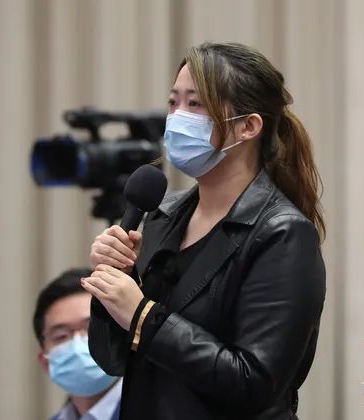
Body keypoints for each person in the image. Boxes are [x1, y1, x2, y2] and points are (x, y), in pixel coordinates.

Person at [82, 41, 326, 419]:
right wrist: (115, 284)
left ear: (248, 126)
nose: (178, 117)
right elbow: (112, 361)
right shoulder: (163, 215)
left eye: (195, 104)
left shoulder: (283, 233)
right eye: (173, 103)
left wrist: (143, 315)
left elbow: (254, 382)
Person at [33, 268, 122, 420]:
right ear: (45, 362)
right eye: (61, 336)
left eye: (92, 328)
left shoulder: (159, 410)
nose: (77, 345)